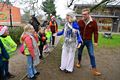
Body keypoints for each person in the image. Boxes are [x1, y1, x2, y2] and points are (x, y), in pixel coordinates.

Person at [77, 8, 101, 76]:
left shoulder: (93, 22)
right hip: (81, 40)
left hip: (89, 40)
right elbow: (77, 31)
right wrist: (77, 39)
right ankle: (79, 62)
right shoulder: (80, 21)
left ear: (88, 14)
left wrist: (96, 41)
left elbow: (96, 32)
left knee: (92, 54)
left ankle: (94, 69)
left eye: (85, 14)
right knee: (79, 52)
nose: (83, 16)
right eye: (82, 14)